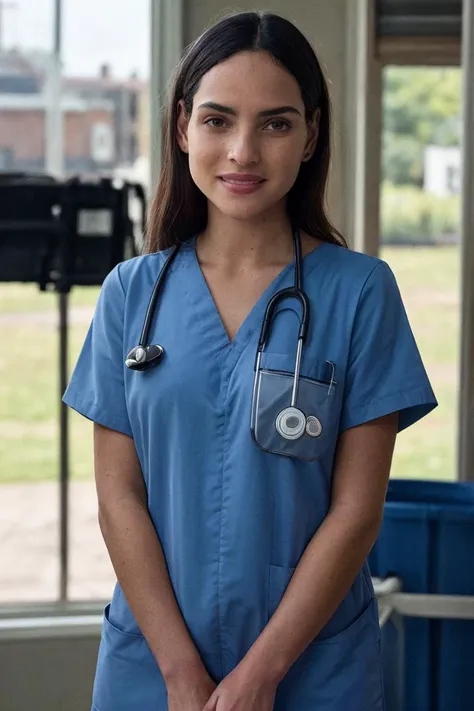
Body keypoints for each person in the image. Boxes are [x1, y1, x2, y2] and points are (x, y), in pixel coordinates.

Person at [63, 10, 437, 711]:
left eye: (275, 123)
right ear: (182, 128)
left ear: (310, 136)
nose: (243, 150)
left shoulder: (360, 293)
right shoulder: (130, 296)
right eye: (217, 120)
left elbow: (357, 510)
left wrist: (260, 675)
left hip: (311, 667)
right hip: (153, 662)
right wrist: (179, 673)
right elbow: (120, 499)